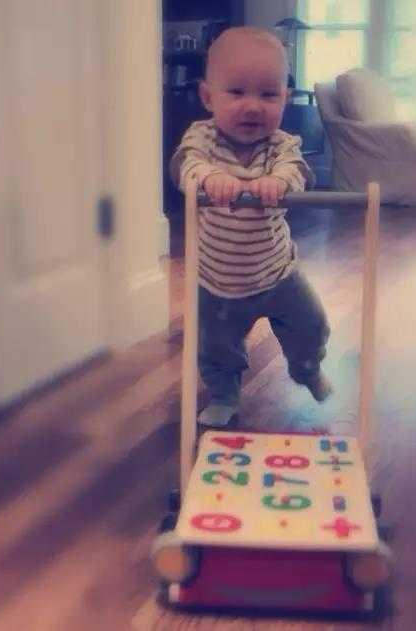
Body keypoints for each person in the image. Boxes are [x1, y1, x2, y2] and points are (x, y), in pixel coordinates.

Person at [170, 26, 332, 427]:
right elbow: (186, 166)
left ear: (285, 98)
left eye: (268, 94)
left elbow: (297, 171)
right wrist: (209, 177)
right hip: (218, 283)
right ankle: (224, 395)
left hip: (278, 274)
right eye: (237, 92)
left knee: (311, 324)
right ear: (209, 97)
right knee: (215, 347)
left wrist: (279, 182)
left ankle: (307, 369)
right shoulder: (202, 139)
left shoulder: (282, 145)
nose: (253, 106)